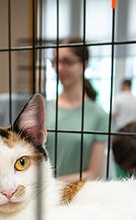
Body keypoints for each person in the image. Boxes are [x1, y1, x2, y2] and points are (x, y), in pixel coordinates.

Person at [45, 37, 110, 183]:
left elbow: (95, 173)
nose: (59, 68)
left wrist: (55, 184)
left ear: (84, 64)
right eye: (56, 61)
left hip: (77, 196)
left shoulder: (99, 116)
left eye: (67, 61)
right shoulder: (44, 108)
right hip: (42, 195)